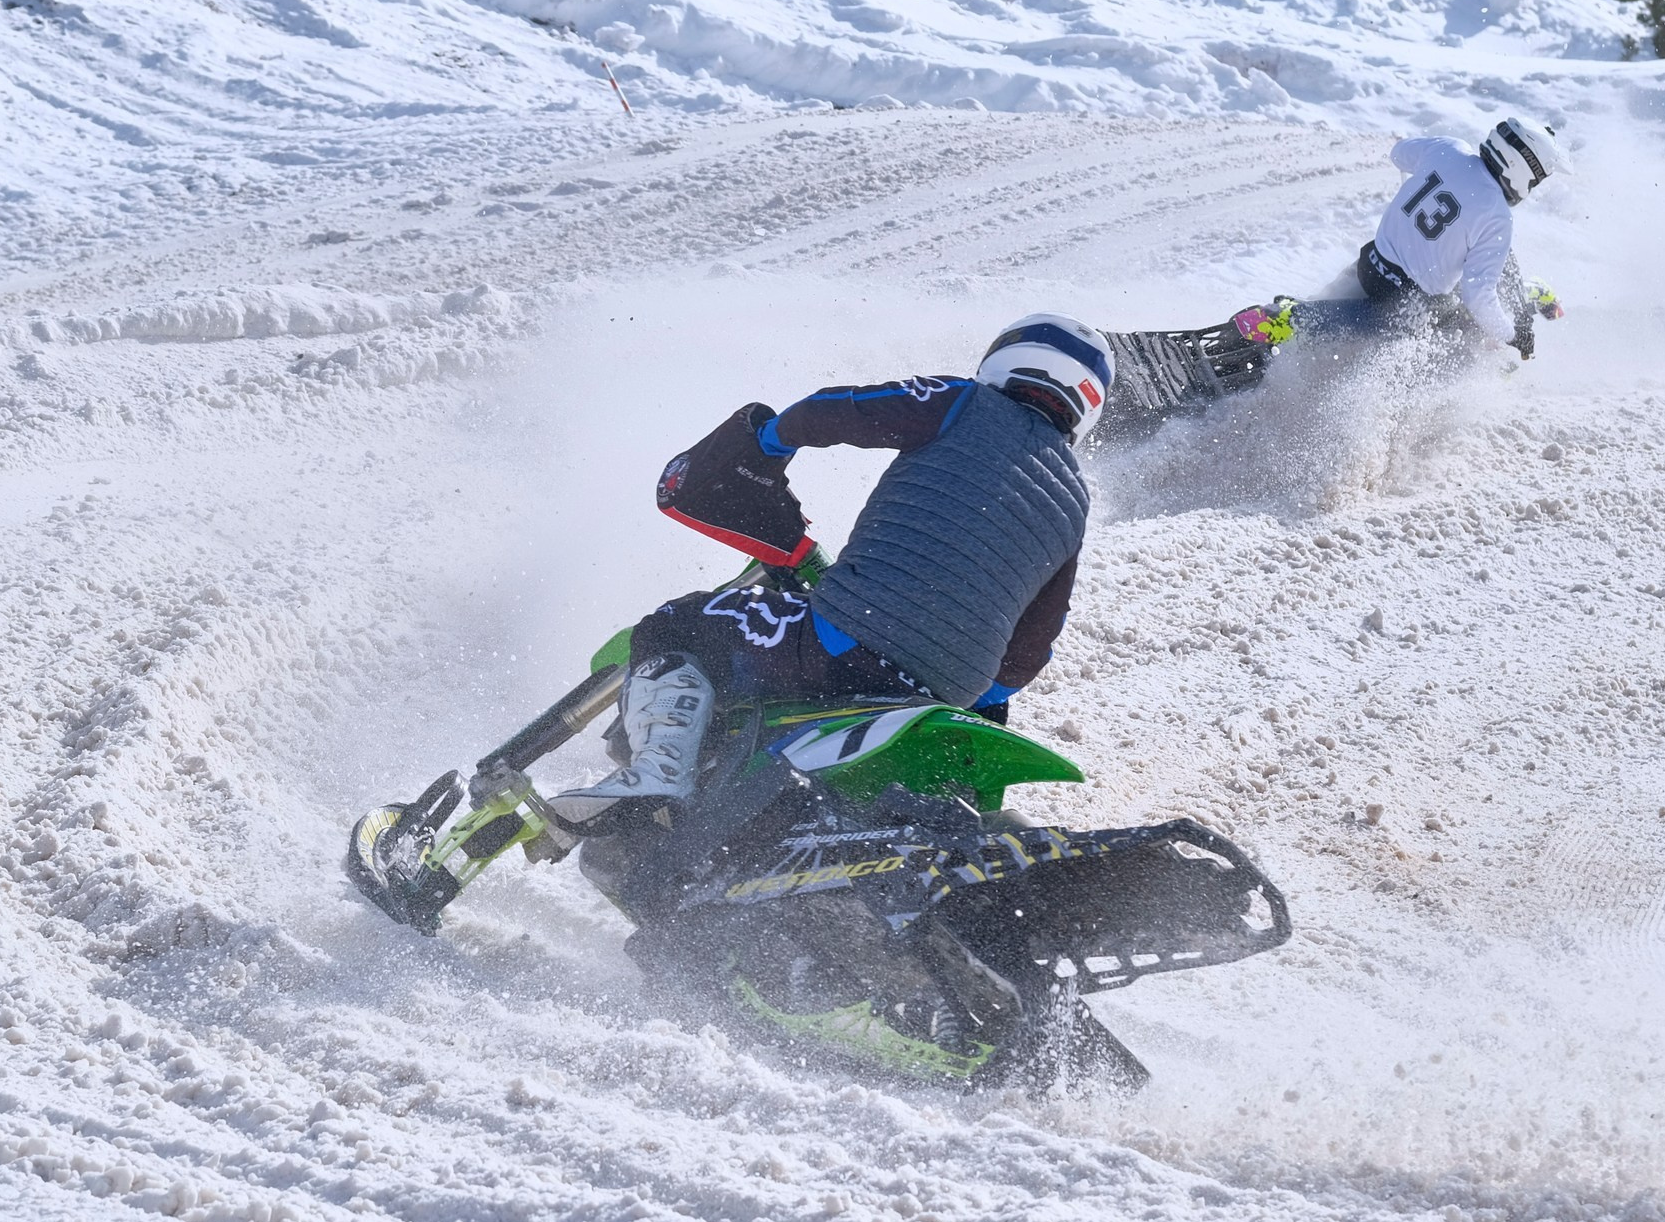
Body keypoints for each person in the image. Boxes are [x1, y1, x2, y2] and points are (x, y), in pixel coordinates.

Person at [548, 314, 1111, 826]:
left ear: (1005, 359)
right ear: (1087, 404)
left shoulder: (964, 402)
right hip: (940, 694)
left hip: (843, 640)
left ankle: (659, 775)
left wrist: (769, 441)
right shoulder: (1073, 503)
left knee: (677, 624)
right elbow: (1029, 651)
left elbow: (845, 410)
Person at [1244, 117, 1570, 360]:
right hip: (1405, 297)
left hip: (1372, 261)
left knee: (1384, 291)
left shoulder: (1451, 149)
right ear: (1523, 168)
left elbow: (1399, 153)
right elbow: (1478, 296)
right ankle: (1294, 318)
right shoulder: (1498, 216)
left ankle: (1305, 308)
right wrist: (1512, 336)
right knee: (1421, 324)